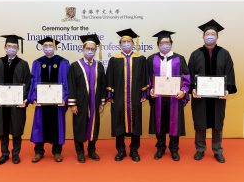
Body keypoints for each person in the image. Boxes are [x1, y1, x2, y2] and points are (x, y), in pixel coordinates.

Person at [188, 19, 237, 163]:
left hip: (218, 96)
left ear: (217, 37)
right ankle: (200, 149)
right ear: (203, 36)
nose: (210, 36)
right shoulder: (195, 54)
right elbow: (189, 74)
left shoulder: (225, 53)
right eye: (207, 34)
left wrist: (227, 89)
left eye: (213, 34)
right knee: (200, 122)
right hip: (200, 96)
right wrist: (192, 89)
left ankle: (217, 150)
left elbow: (230, 72)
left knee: (217, 123)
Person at [0, 35, 31, 165]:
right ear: (5, 47)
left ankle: (15, 154)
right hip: (1, 104)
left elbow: (28, 83)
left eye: (14, 47)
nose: (12, 49)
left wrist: (25, 99)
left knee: (17, 130)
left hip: (17, 104)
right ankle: (4, 154)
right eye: (9, 46)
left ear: (18, 48)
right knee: (3, 129)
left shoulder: (23, 64)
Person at [147, 30, 190, 161]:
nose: (164, 45)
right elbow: (147, 78)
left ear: (171, 43)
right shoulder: (151, 59)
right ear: (158, 45)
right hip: (158, 98)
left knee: (174, 123)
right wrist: (150, 90)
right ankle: (160, 147)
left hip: (174, 98)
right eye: (162, 43)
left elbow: (186, 77)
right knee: (159, 122)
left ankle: (174, 149)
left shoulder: (179, 58)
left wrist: (183, 90)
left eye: (167, 42)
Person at [106, 28, 148, 162]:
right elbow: (109, 79)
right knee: (119, 123)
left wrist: (144, 93)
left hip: (135, 98)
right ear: (120, 44)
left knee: (136, 124)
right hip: (119, 98)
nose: (126, 44)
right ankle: (121, 150)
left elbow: (144, 77)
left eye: (128, 41)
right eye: (123, 42)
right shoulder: (114, 60)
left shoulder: (140, 59)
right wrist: (110, 95)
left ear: (133, 44)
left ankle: (134, 150)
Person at [28, 37, 70, 163]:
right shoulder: (37, 63)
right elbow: (33, 81)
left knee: (57, 124)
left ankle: (57, 151)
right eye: (45, 45)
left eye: (50, 45)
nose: (47, 48)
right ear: (42, 47)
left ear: (55, 47)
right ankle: (39, 151)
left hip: (57, 103)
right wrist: (34, 97)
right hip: (42, 102)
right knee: (40, 124)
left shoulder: (63, 62)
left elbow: (67, 82)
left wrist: (65, 98)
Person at [68, 34, 106, 163]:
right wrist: (72, 104)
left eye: (93, 49)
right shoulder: (75, 66)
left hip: (94, 103)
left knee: (94, 126)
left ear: (95, 51)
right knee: (79, 126)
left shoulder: (99, 66)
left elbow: (102, 85)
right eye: (88, 48)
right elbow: (71, 85)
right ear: (83, 49)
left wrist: (102, 102)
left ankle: (91, 150)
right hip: (80, 103)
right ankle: (79, 152)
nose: (90, 51)